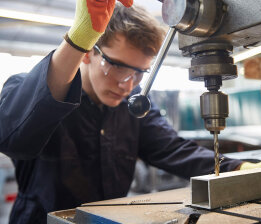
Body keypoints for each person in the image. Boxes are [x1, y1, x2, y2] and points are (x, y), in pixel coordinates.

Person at [0, 1, 244, 223]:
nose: (127, 85)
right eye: (117, 67)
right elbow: (12, 139)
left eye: (139, 73)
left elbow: (172, 149)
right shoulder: (28, 89)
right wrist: (78, 37)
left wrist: (238, 169)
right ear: (88, 52)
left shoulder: (134, 104)